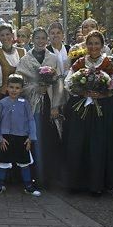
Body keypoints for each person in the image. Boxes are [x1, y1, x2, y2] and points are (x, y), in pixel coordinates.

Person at [63, 30, 113, 195]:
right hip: (82, 109)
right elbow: (68, 82)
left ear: (102, 46)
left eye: (97, 43)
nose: (93, 47)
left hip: (102, 111)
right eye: (90, 43)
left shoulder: (109, 64)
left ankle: (97, 184)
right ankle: (78, 183)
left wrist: (104, 92)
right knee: (79, 144)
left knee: (98, 145)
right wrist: (82, 92)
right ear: (86, 45)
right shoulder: (79, 63)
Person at [18, 27, 64, 192]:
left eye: (43, 38)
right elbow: (20, 84)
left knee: (49, 141)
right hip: (33, 105)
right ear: (32, 39)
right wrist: (35, 88)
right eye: (37, 38)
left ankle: (49, 177)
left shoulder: (52, 58)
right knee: (35, 140)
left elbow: (59, 82)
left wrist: (56, 105)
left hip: (49, 103)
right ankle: (35, 176)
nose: (41, 41)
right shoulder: (25, 59)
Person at [0, 74, 38, 197]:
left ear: (21, 89)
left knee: (24, 163)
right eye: (11, 87)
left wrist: (30, 137)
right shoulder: (1, 103)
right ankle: (0, 185)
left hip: (22, 138)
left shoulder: (25, 103)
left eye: (17, 88)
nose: (14, 90)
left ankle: (28, 185)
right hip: (5, 138)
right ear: (7, 88)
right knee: (2, 162)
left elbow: (31, 120)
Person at [0, 24, 25, 95]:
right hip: (5, 95)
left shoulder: (22, 52)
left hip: (22, 93)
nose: (5, 37)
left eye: (7, 34)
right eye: (2, 35)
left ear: (12, 35)